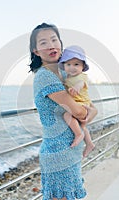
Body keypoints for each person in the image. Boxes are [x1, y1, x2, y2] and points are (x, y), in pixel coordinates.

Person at [29, 23, 97, 200]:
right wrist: (87, 112)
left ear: (60, 43)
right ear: (36, 51)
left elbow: (91, 108)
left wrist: (89, 111)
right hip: (58, 152)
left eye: (54, 39)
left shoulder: (66, 75)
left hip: (71, 150)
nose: (51, 45)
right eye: (43, 42)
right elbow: (80, 112)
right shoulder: (45, 76)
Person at [58, 45, 95, 157]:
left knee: (67, 115)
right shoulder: (68, 78)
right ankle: (89, 143)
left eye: (76, 64)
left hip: (82, 103)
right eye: (68, 64)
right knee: (83, 125)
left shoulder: (82, 76)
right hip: (79, 103)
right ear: (64, 65)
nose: (72, 67)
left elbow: (81, 84)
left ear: (83, 66)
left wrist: (76, 88)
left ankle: (78, 134)